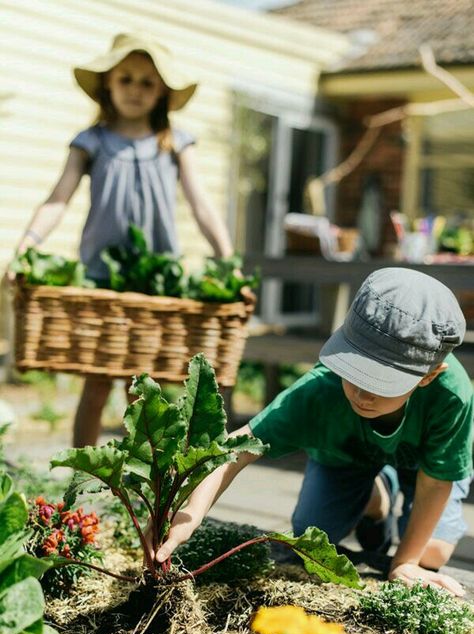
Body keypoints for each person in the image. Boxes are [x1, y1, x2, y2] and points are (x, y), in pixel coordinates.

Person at [154, 268, 474, 597]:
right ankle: (378, 497)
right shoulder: (320, 390)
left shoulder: (451, 397)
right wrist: (189, 514)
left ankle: (386, 494)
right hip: (346, 456)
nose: (363, 394)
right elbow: (236, 448)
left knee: (432, 552)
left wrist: (404, 563)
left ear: (429, 376)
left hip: (426, 467)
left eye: (382, 383)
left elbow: (436, 482)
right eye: (357, 372)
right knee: (311, 533)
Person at [14, 33, 234, 447]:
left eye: (147, 82)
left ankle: (140, 487)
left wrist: (227, 259)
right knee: (96, 383)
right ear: (107, 85)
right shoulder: (91, 141)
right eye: (126, 79)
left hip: (157, 281)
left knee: (144, 392)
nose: (135, 89)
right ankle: (85, 478)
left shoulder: (175, 143)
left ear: (162, 92)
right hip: (103, 277)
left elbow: (202, 204)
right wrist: (26, 245)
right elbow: (58, 199)